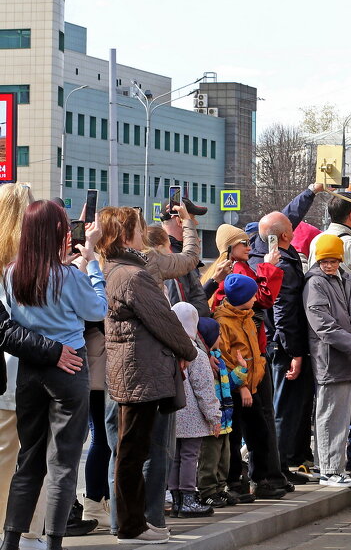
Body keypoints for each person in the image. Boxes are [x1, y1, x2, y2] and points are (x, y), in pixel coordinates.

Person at [0, 200, 104, 550]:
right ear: (57, 232)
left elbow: (13, 320)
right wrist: (93, 267)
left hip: (29, 370)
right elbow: (98, 310)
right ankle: (53, 543)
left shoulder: (13, 273)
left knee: (28, 460)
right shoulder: (70, 275)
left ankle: (10, 540)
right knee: (63, 462)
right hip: (70, 365)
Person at [99, 206, 198, 545]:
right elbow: (163, 320)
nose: (144, 234)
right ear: (127, 234)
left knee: (133, 449)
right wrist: (189, 351)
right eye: (138, 229)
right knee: (132, 452)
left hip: (136, 370)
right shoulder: (132, 274)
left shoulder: (122, 268)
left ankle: (137, 520)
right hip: (138, 371)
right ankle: (131, 527)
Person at [250, 184, 322, 484]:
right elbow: (282, 310)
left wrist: (312, 190)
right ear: (283, 237)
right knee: (282, 409)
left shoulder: (266, 245)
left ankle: (288, 462)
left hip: (278, 343)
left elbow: (286, 216)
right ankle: (278, 468)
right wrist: (294, 353)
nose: (295, 228)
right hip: (282, 345)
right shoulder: (277, 262)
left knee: (288, 406)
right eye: (291, 229)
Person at [211, 274, 285, 500]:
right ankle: (234, 482)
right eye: (252, 294)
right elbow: (225, 356)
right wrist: (241, 385)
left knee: (259, 433)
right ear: (241, 297)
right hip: (235, 388)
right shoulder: (224, 322)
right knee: (234, 437)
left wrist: (259, 369)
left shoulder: (247, 317)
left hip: (252, 385)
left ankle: (259, 479)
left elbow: (254, 350)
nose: (255, 298)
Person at [303, 236, 351, 487]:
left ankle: (329, 467)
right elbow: (323, 325)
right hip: (330, 358)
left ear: (340, 259)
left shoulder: (347, 278)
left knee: (337, 415)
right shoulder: (316, 283)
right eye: (324, 261)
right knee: (330, 416)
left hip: (344, 357)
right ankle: (330, 470)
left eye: (333, 260)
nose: (329, 265)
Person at [321, 192, 351, 475]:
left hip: (325, 338)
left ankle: (333, 463)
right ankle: (350, 461)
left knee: (328, 408)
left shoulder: (318, 241)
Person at [166, 304, 220, 519]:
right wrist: (214, 416)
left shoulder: (166, 348)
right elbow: (205, 389)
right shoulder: (195, 353)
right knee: (190, 456)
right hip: (192, 416)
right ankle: (188, 497)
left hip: (170, 413)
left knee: (175, 457)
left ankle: (176, 499)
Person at [194, 318, 235, 510]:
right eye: (218, 334)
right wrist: (212, 417)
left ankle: (220, 488)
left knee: (223, 457)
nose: (220, 337)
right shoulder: (203, 361)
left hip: (225, 419)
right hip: (212, 421)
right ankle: (207, 491)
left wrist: (242, 370)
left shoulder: (218, 357)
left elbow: (229, 383)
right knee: (209, 458)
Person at [146, 205, 208, 317]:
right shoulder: (170, 257)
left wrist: (213, 282)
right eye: (192, 218)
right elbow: (180, 312)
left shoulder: (174, 252)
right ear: (180, 221)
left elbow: (193, 296)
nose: (196, 223)